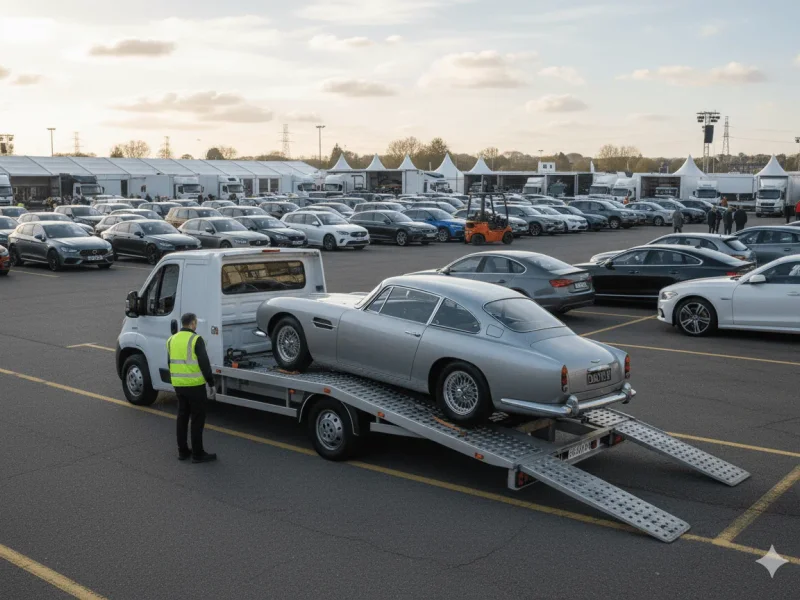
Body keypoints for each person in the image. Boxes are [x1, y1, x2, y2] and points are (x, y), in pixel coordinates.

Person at [167, 312, 217, 464]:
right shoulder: (196, 339)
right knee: (197, 419)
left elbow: (169, 363)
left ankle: (183, 451)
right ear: (193, 323)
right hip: (195, 386)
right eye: (196, 323)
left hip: (178, 385)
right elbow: (204, 364)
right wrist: (211, 383)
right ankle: (198, 453)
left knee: (182, 417)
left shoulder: (171, 340)